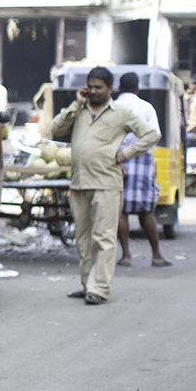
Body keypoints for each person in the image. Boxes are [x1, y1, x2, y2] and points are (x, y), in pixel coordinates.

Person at [51, 66, 158, 305]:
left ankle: (99, 287)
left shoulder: (121, 112)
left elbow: (151, 135)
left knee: (103, 237)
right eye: (90, 86)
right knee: (83, 238)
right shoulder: (79, 110)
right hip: (79, 183)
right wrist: (76, 104)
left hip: (107, 183)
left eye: (99, 87)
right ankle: (87, 283)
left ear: (110, 89)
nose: (94, 91)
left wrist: (126, 154)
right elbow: (55, 128)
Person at [113, 72, 169, 268]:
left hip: (116, 159)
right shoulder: (146, 107)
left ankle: (126, 255)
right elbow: (155, 135)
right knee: (147, 211)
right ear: (137, 88)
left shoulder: (112, 107)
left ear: (119, 87)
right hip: (141, 158)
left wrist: (119, 157)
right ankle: (156, 256)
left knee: (121, 211)